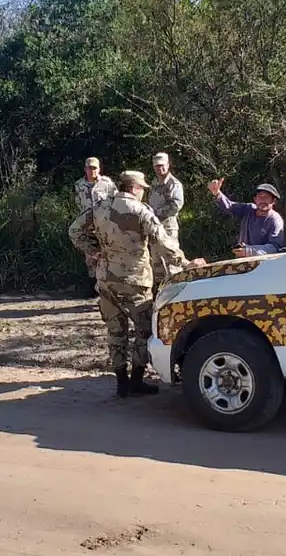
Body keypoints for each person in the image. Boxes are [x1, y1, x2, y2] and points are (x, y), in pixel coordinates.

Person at [69, 171, 203, 398]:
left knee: (115, 331)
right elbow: (163, 243)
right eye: (143, 189)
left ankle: (121, 383)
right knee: (144, 330)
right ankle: (137, 381)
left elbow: (74, 230)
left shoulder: (100, 206)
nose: (143, 193)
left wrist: (94, 250)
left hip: (105, 279)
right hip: (134, 281)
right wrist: (186, 262)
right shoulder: (141, 211)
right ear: (135, 189)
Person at [207, 178, 285, 257]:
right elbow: (230, 206)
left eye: (266, 197)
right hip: (242, 262)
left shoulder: (275, 220)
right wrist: (217, 193)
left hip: (264, 264)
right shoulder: (249, 209)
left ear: (273, 201)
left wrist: (249, 251)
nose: (262, 200)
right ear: (255, 199)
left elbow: (275, 247)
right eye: (260, 197)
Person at [73, 157, 116, 286]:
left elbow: (115, 201)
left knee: (107, 255)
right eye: (89, 168)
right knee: (91, 257)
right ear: (85, 169)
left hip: (104, 226)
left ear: (99, 169)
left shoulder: (107, 183)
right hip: (87, 226)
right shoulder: (79, 185)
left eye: (94, 168)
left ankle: (107, 286)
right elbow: (78, 203)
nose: (92, 170)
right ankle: (94, 285)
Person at [146, 152, 185, 291]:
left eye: (162, 166)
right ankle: (160, 292)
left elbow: (176, 205)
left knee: (172, 259)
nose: (160, 169)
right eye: (157, 166)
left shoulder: (173, 184)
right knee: (156, 261)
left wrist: (156, 213)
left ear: (168, 165)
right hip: (154, 227)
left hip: (168, 227)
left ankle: (177, 290)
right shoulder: (154, 183)